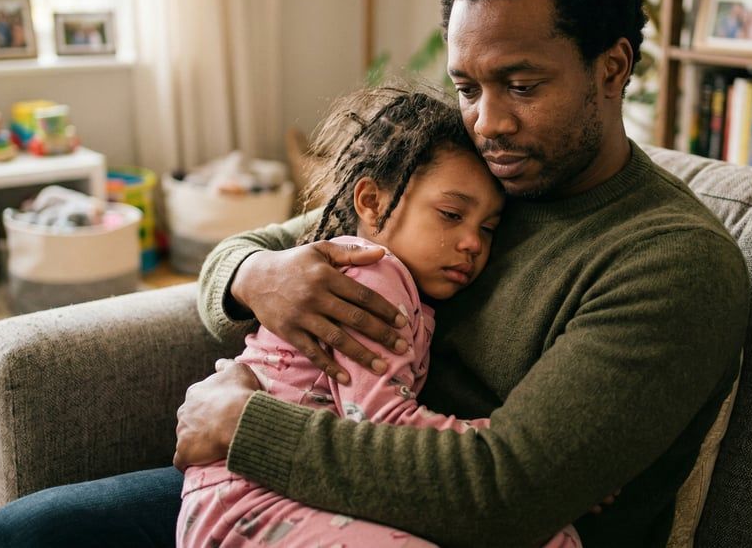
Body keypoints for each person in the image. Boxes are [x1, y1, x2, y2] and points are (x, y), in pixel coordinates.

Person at [0, 0, 749, 548]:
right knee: (24, 536)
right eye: (468, 88)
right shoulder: (484, 177)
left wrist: (244, 425)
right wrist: (259, 277)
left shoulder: (670, 262)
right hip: (310, 491)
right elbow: (251, 250)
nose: (487, 122)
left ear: (611, 69)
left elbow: (502, 495)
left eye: (520, 85)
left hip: (453, 525)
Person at [177, 87, 581, 547]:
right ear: (370, 202)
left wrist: (545, 477)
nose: (473, 242)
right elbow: (382, 424)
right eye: (451, 215)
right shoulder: (372, 272)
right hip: (254, 497)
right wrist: (524, 452)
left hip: (315, 488)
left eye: (488, 228)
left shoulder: (411, 278)